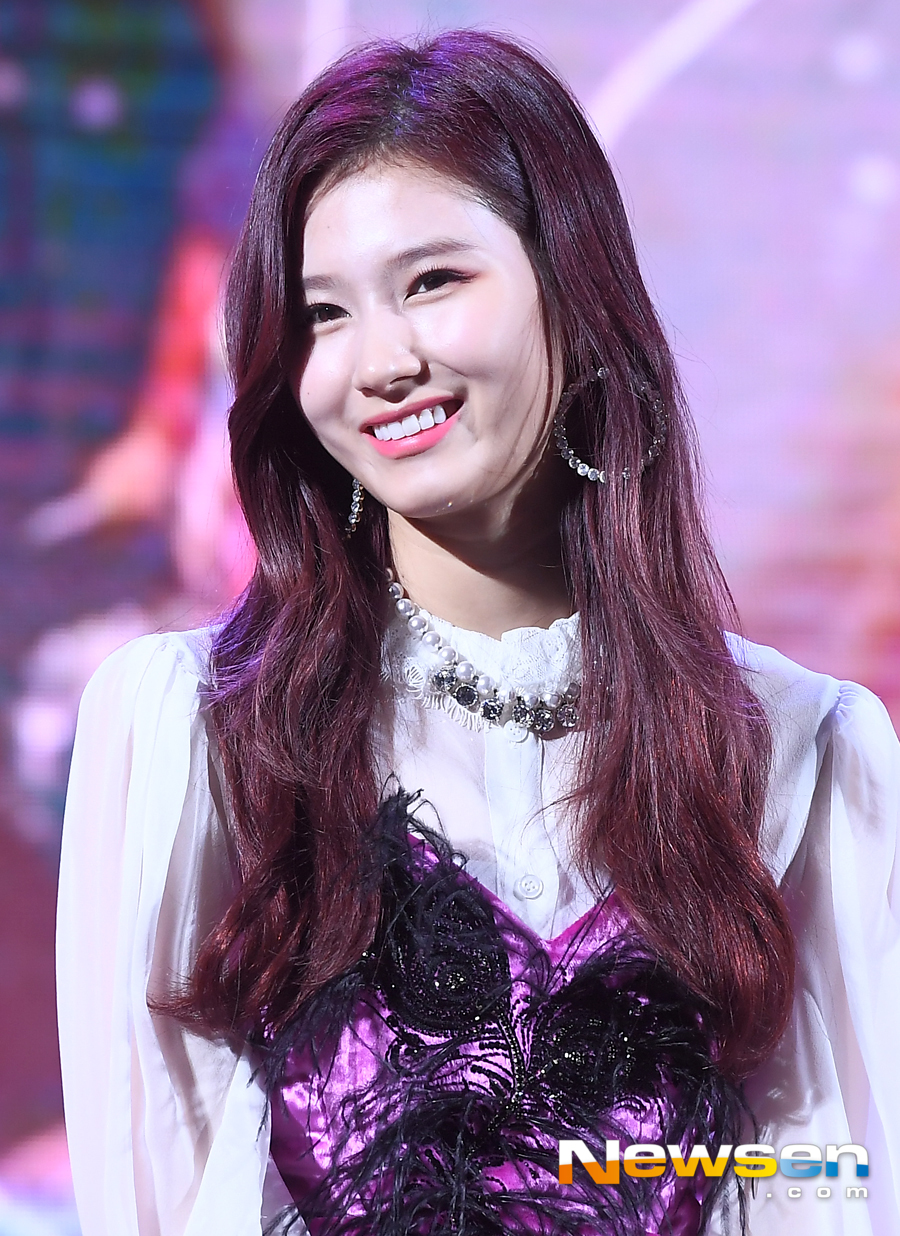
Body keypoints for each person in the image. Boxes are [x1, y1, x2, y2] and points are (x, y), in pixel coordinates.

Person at [56, 30, 899, 1236]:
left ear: (571, 288)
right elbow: (161, 1196)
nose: (381, 362)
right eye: (322, 315)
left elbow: (828, 1183)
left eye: (432, 283)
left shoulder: (800, 751)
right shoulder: (197, 731)